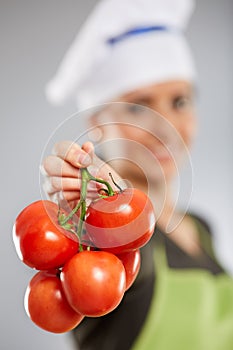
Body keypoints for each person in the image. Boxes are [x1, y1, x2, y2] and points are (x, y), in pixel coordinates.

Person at [42, 0, 233, 349]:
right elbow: (116, 262)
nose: (167, 127)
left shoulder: (201, 228)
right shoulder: (109, 244)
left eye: (180, 101)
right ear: (97, 125)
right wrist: (100, 209)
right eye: (137, 106)